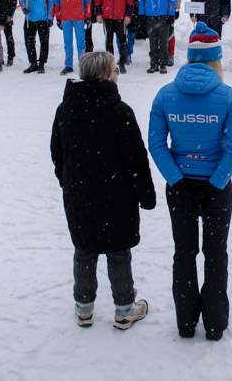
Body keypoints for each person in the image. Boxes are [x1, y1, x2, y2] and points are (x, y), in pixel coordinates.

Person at [148, 23, 232, 341]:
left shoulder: (165, 94)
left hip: (180, 187)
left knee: (184, 253)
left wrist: (176, 179)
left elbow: (157, 144)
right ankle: (215, 323)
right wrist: (216, 182)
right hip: (217, 187)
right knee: (216, 253)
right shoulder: (228, 96)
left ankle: (185, 322)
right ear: (216, 58)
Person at [50, 51, 156, 329]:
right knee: (118, 251)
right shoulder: (120, 111)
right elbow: (135, 158)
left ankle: (84, 307)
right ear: (104, 75)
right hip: (116, 195)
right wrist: (146, 195)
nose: (118, 74)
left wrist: (69, 183)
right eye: (115, 70)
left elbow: (57, 153)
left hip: (80, 194)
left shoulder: (65, 109)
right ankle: (124, 309)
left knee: (84, 249)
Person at [137, 0, 176, 74]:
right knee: (152, 40)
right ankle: (153, 63)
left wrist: (171, 14)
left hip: (163, 15)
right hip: (150, 15)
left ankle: (163, 63)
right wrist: (142, 13)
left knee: (163, 40)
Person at [95, 0, 135, 73]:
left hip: (120, 17)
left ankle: (122, 63)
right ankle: (110, 64)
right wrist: (98, 14)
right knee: (108, 41)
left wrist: (128, 15)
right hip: (107, 17)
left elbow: (130, 1)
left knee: (122, 40)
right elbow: (98, 0)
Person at [53, 0, 93, 76]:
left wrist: (88, 16)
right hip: (66, 18)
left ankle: (82, 64)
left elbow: (88, 0)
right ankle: (68, 64)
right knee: (67, 43)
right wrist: (58, 17)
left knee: (81, 42)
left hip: (79, 17)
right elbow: (57, 2)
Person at [19, 0, 54, 74]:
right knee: (29, 42)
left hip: (43, 18)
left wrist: (50, 17)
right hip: (30, 18)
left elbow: (51, 0)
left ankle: (41, 63)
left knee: (44, 41)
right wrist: (24, 7)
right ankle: (32, 63)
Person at [117, 0, 141, 65]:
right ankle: (121, 54)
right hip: (119, 10)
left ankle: (129, 54)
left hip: (132, 11)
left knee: (131, 34)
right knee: (120, 34)